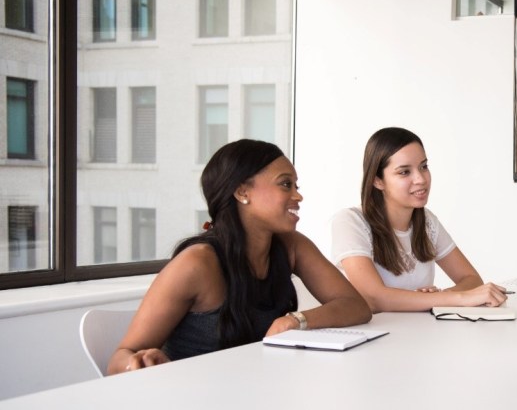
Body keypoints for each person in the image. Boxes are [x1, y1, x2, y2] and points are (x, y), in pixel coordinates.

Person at [108, 140, 371, 375]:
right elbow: (118, 361)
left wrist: (295, 320)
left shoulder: (292, 246)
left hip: (256, 390)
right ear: (242, 192)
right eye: (285, 184)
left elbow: (355, 306)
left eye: (296, 185)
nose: (298, 195)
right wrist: (138, 362)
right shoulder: (197, 264)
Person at [331, 127, 507, 312]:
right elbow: (374, 298)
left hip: (420, 333)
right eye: (404, 172)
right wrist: (447, 299)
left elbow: (471, 279)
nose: (421, 179)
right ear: (378, 181)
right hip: (375, 336)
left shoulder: (427, 221)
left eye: (423, 167)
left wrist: (436, 299)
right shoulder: (350, 222)